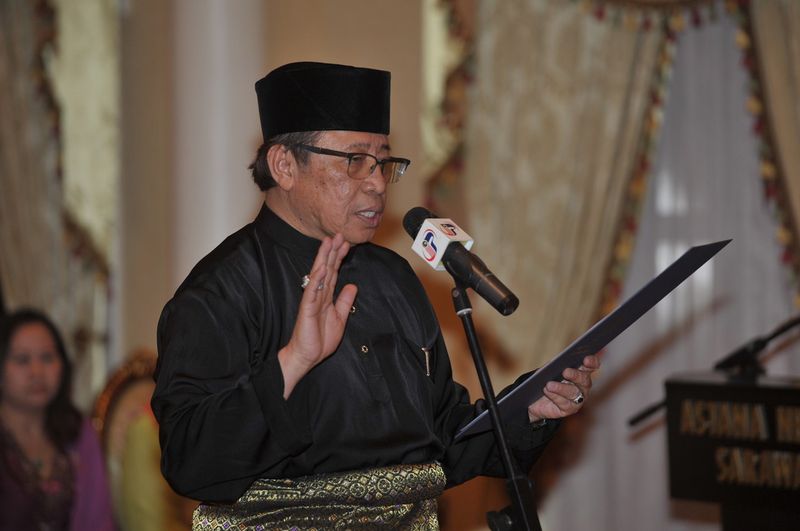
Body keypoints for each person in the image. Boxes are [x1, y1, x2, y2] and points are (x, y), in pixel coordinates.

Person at [152, 61, 600, 530]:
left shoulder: (394, 278)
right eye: (354, 161)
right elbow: (190, 461)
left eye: (384, 162)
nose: (377, 182)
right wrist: (293, 364)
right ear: (284, 165)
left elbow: (442, 438)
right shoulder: (220, 292)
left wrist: (530, 408)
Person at [0, 308, 115, 530]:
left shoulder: (78, 432)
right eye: (22, 359)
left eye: (47, 357)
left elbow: (98, 521)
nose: (37, 371)